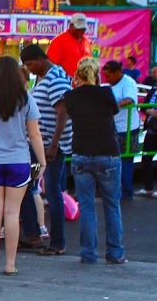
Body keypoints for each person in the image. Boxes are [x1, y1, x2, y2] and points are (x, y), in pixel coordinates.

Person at [48, 57, 124, 264]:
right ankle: (115, 252)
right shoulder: (106, 93)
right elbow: (114, 110)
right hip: (108, 152)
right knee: (111, 204)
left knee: (87, 206)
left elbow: (72, 112)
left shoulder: (71, 97)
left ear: (78, 75)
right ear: (97, 74)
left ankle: (88, 253)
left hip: (81, 153)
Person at [0, 56, 44, 275]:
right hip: (19, 160)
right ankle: (10, 264)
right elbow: (34, 134)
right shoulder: (26, 98)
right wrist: (42, 161)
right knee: (11, 213)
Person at [20, 43, 74, 257]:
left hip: (50, 148)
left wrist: (53, 144)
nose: (29, 68)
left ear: (41, 59)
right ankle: (33, 234)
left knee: (52, 192)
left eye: (31, 64)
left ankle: (58, 242)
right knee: (25, 187)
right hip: (39, 146)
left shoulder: (55, 78)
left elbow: (63, 111)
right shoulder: (42, 78)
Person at [101, 58, 139, 201]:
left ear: (117, 73)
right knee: (112, 160)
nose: (107, 79)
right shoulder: (109, 85)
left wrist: (113, 105)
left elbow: (129, 99)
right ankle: (114, 189)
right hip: (113, 127)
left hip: (128, 128)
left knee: (126, 161)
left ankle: (126, 191)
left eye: (109, 76)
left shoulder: (129, 83)